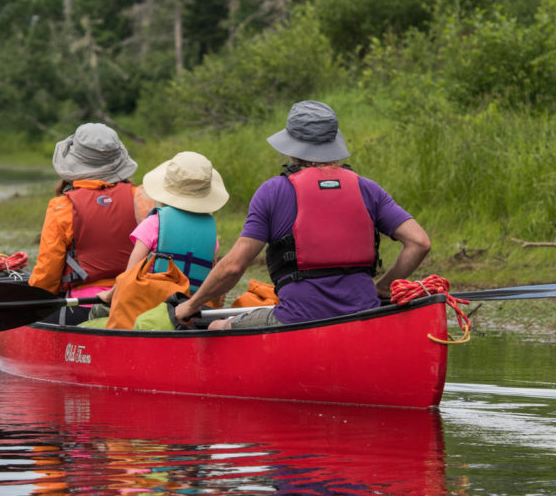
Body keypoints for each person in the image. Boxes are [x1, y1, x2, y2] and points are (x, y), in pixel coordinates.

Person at [174, 100, 430, 330]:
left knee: (218, 327)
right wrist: (383, 289)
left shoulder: (272, 192)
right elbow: (419, 243)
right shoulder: (368, 188)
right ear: (332, 143)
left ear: (292, 146)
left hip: (296, 321)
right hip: (364, 317)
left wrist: (191, 304)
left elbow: (233, 266)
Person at [28, 123, 154, 324]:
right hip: (139, 305)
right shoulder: (143, 198)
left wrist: (34, 299)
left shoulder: (61, 207)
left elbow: (47, 276)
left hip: (81, 307)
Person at [95, 151, 228, 309]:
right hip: (191, 308)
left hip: (152, 305)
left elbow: (130, 275)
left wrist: (109, 295)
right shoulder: (210, 231)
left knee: (99, 312)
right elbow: (212, 276)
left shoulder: (153, 223)